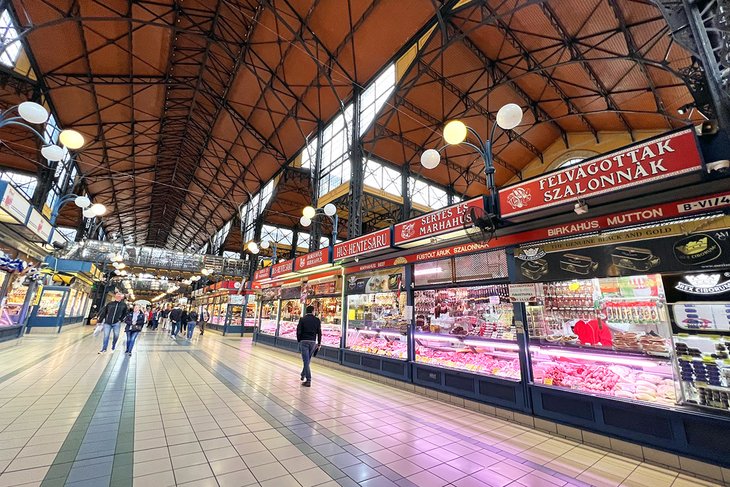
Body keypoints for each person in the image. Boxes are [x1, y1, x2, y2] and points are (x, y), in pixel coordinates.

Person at [296, 305, 321, 387]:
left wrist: (299, 340)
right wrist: (319, 343)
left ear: (306, 311)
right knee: (307, 360)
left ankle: (308, 380)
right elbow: (319, 332)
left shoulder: (302, 319)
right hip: (313, 342)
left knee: (306, 361)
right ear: (313, 311)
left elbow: (298, 331)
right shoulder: (317, 320)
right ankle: (303, 374)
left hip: (304, 341)